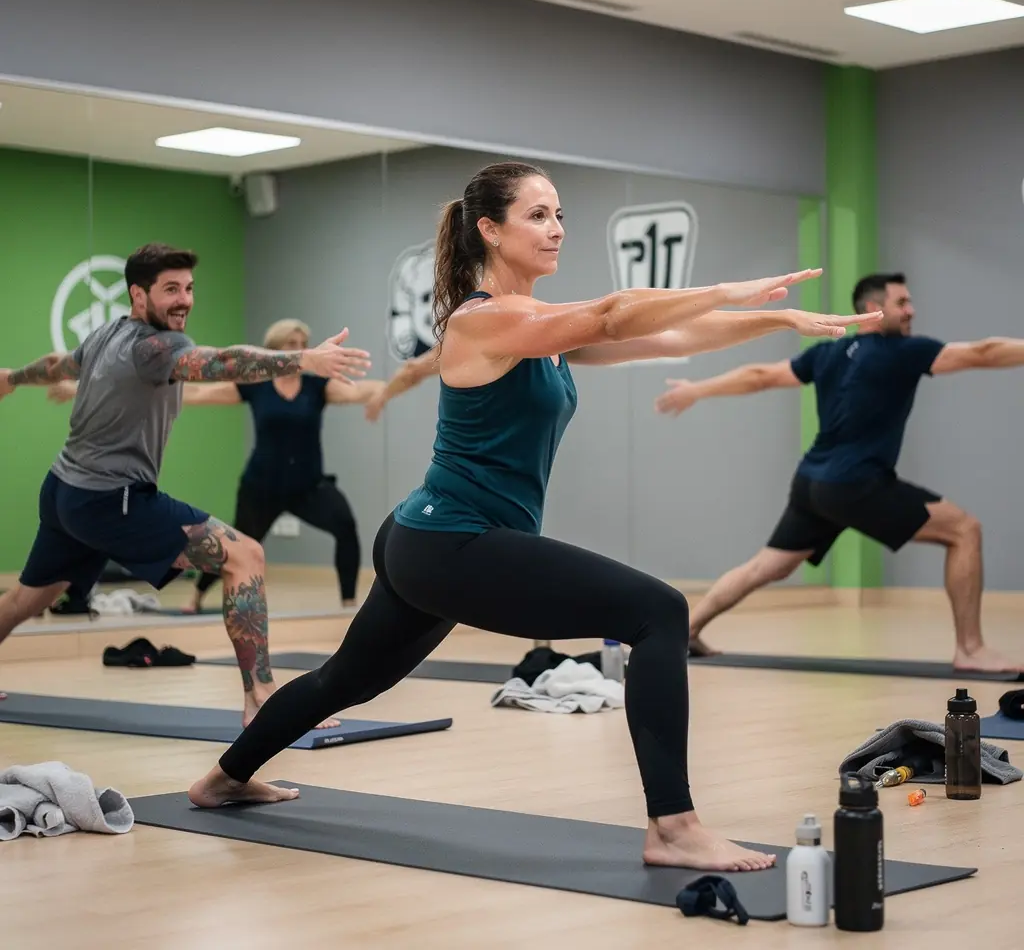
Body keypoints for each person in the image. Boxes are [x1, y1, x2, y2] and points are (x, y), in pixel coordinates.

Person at [186, 161, 876, 871]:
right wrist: (731, 287)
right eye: (538, 216)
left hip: (429, 536)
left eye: (560, 215)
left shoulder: (539, 325)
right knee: (660, 611)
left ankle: (222, 778)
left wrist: (779, 318)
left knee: (345, 681)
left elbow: (668, 341)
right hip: (450, 539)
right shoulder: (485, 319)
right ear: (490, 229)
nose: (556, 230)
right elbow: (612, 311)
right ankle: (672, 827)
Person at [0, 243, 371, 725]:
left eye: (189, 288)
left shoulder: (107, 333)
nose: (184, 300)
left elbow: (59, 365)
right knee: (246, 555)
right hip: (113, 499)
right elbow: (221, 362)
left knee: (29, 598)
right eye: (170, 289)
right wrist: (302, 359)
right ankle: (262, 696)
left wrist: (12, 377)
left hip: (65, 490)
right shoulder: (156, 348)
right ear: (139, 294)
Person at [656, 272, 1024, 672]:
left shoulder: (828, 353)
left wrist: (697, 389)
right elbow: (984, 352)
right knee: (964, 530)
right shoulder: (905, 351)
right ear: (872, 309)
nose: (911, 310)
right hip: (856, 484)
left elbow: (759, 377)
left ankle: (687, 629)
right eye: (902, 303)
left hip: (812, 484)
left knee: (766, 566)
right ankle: (970, 650)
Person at [51, 319, 424, 613]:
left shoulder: (317, 387)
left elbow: (366, 391)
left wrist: (404, 380)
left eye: (301, 343)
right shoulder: (255, 385)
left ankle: (346, 604)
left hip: (309, 485)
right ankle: (198, 595)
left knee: (345, 525)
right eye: (289, 345)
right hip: (261, 486)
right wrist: (77, 389)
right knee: (235, 545)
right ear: (273, 350)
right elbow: (195, 393)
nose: (297, 350)